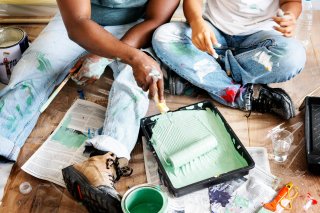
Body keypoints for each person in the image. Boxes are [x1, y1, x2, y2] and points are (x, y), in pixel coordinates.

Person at [0, 0, 179, 211]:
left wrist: (125, 57)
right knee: (32, 69)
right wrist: (126, 55)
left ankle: (102, 161)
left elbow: (156, 18)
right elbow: (76, 22)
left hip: (136, 27)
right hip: (77, 24)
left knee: (135, 86)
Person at [152, 0, 306, 120]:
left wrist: (290, 15)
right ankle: (241, 96)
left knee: (293, 56)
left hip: (260, 40)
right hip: (214, 34)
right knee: (165, 35)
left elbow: (292, 2)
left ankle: (205, 77)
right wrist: (196, 22)